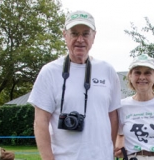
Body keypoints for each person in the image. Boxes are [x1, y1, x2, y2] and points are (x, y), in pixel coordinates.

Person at [28, 10, 121, 160]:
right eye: (74, 33)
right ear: (65, 35)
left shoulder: (107, 70)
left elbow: (113, 116)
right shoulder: (50, 72)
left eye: (85, 33)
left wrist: (108, 151)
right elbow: (40, 122)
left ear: (94, 36)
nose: (80, 39)